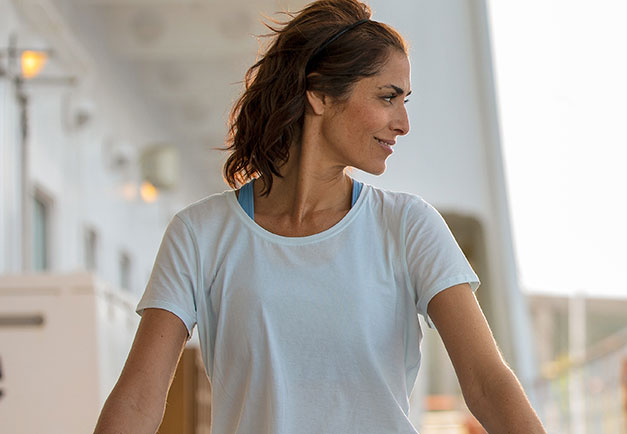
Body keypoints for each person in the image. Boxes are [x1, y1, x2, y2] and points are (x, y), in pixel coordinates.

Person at [92, 1, 544, 433]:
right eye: (388, 98)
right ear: (320, 95)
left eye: (405, 100)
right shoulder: (200, 234)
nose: (403, 122)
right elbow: (138, 400)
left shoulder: (409, 226)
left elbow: (487, 382)